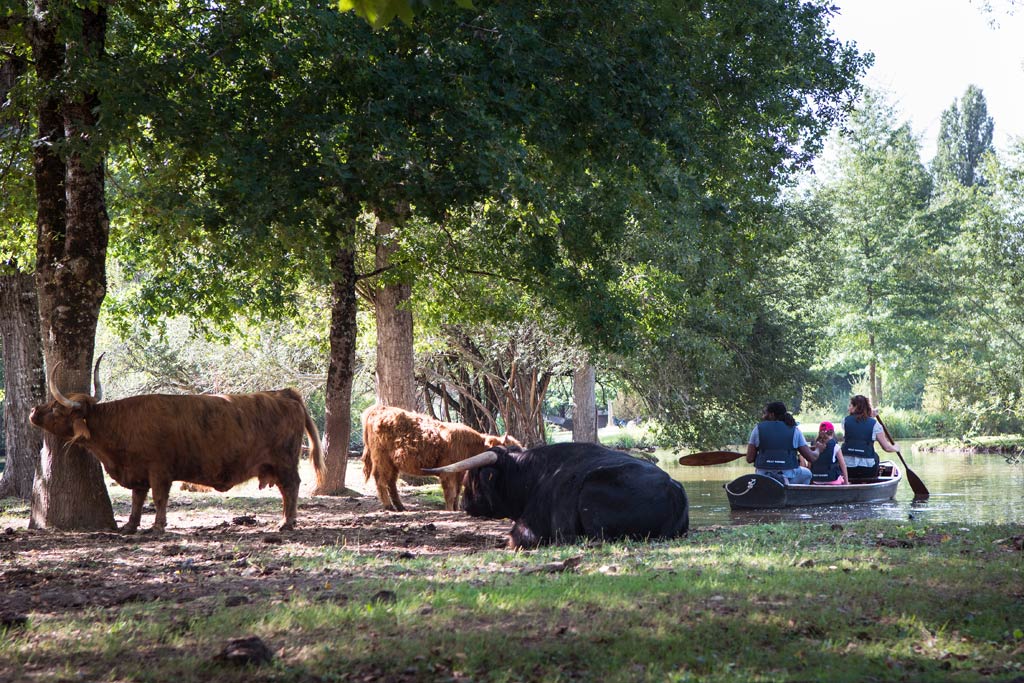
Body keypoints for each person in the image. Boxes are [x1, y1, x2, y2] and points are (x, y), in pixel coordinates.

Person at [745, 401, 817, 485]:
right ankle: (796, 496)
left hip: (763, 476)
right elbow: (811, 458)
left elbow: (749, 459)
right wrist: (819, 449)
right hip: (788, 476)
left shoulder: (757, 429)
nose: (763, 416)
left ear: (772, 415)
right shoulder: (795, 430)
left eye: (765, 413)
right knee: (808, 473)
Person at [842, 394, 901, 480]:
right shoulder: (875, 425)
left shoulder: (844, 421)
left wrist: (869, 414)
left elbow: (858, 425)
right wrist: (896, 448)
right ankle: (870, 482)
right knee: (876, 457)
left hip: (848, 468)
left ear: (856, 407)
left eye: (850, 405)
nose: (848, 408)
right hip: (867, 470)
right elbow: (887, 448)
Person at [808, 421, 849, 485]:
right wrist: (846, 483)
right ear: (832, 432)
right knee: (841, 478)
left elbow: (809, 465)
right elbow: (843, 465)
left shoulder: (814, 446)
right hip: (832, 479)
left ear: (819, 432)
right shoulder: (835, 446)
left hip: (816, 480)